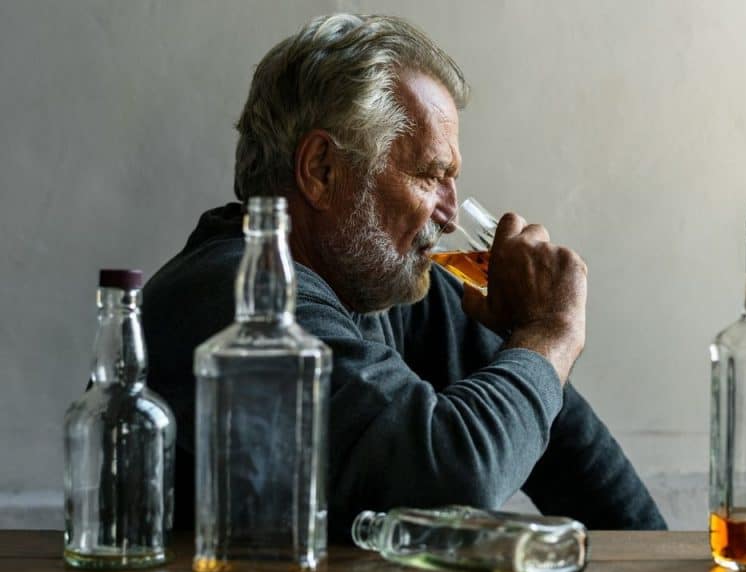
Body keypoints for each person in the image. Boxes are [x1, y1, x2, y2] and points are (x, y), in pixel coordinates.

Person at [143, 13, 667, 539]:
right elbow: (454, 476)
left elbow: (562, 436)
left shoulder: (382, 285)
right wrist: (551, 334)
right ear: (322, 169)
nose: (450, 214)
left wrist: (663, 562)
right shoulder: (240, 301)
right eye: (430, 175)